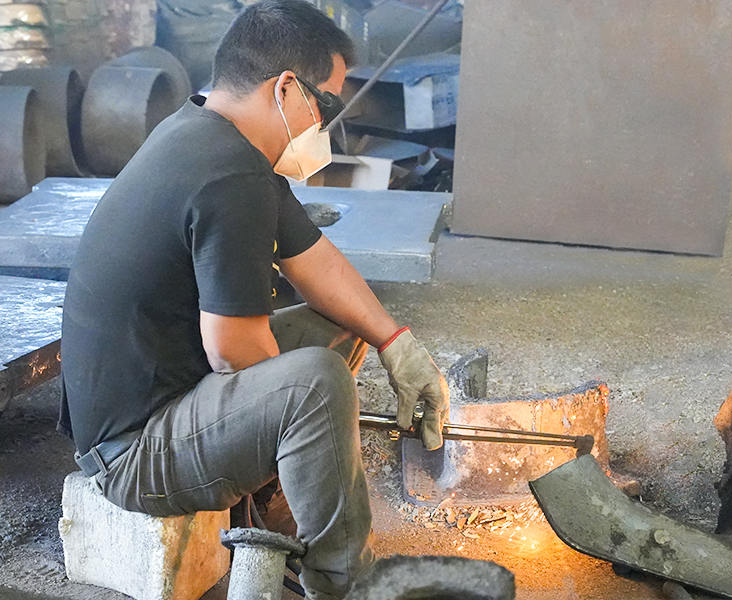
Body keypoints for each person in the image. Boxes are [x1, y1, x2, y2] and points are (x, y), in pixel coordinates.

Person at [57, 1, 450, 597]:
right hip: (132, 453)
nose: (327, 127)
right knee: (315, 384)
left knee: (336, 328)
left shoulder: (206, 132)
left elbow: (315, 260)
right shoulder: (230, 177)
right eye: (327, 106)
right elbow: (233, 350)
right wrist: (308, 424)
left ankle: (274, 509)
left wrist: (397, 344)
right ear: (286, 88)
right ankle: (344, 582)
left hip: (162, 396)